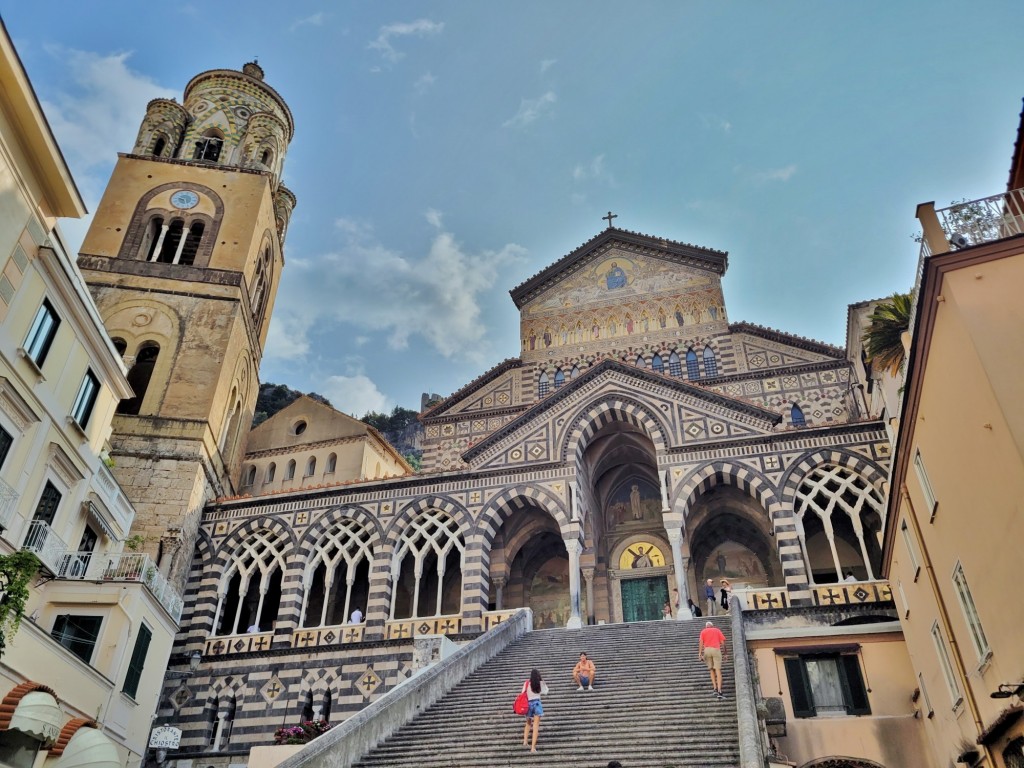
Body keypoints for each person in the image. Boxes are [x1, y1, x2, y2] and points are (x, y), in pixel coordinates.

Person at [521, 668, 549, 752]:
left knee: (528, 723)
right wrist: (543, 683)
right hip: (537, 704)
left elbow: (522, 693)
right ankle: (533, 748)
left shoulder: (526, 683)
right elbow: (546, 692)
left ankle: (525, 741)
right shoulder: (540, 683)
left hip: (528, 705)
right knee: (536, 726)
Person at [698, 620, 728, 699]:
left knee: (711, 670)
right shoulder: (717, 630)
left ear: (706, 626)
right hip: (716, 650)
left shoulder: (703, 631)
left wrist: (700, 653)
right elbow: (723, 643)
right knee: (718, 670)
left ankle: (714, 688)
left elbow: (701, 642)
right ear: (712, 625)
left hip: (707, 650)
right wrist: (725, 654)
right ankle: (719, 690)